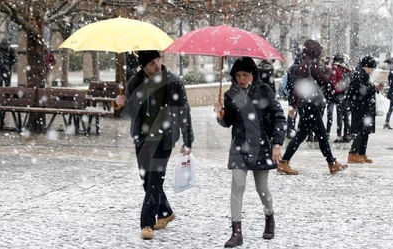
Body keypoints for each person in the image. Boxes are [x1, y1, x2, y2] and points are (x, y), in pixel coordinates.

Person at [115, 50, 194, 240]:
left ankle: (147, 223)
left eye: (158, 60)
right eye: (151, 63)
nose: (157, 65)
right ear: (143, 65)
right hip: (142, 137)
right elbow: (129, 113)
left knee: (154, 179)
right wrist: (119, 104)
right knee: (146, 179)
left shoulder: (173, 82)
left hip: (165, 137)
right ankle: (166, 212)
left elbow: (184, 111)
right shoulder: (135, 82)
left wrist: (188, 140)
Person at [213, 57, 286, 247]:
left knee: (262, 188)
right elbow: (227, 121)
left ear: (252, 74)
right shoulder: (231, 95)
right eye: (238, 75)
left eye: (245, 75)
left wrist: (277, 143)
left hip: (261, 145)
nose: (241, 79)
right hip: (239, 146)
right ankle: (236, 232)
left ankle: (269, 218)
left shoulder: (264, 91)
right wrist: (220, 114)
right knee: (237, 187)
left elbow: (278, 115)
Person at [277, 39, 348, 175]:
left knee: (321, 135)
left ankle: (332, 163)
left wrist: (295, 104)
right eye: (318, 50)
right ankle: (284, 162)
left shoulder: (303, 64)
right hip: (311, 104)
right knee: (301, 135)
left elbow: (298, 85)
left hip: (308, 104)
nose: (320, 52)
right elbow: (326, 80)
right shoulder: (311, 64)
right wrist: (328, 71)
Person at [347, 56, 384, 163]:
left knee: (365, 131)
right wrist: (374, 87)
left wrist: (375, 87)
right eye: (371, 68)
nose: (372, 71)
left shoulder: (365, 75)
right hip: (360, 108)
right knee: (360, 130)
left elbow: (367, 89)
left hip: (366, 108)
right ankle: (353, 154)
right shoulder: (358, 75)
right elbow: (361, 91)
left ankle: (362, 153)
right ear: (365, 66)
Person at [330, 52, 352, 143]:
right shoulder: (346, 69)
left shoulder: (335, 69)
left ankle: (339, 135)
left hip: (339, 94)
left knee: (339, 115)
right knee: (346, 115)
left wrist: (334, 90)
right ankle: (347, 135)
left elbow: (333, 82)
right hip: (346, 93)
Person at [285, 53, 302, 139]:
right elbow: (294, 83)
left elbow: (289, 82)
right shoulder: (297, 68)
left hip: (292, 94)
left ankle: (290, 130)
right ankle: (292, 130)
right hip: (296, 95)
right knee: (295, 113)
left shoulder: (291, 68)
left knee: (292, 113)